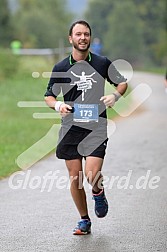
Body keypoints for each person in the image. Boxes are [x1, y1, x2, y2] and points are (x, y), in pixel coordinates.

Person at [44, 20, 127, 235]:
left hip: (96, 126)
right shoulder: (61, 67)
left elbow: (122, 82)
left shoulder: (101, 63)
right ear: (70, 39)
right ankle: (84, 220)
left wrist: (115, 95)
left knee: (92, 174)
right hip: (71, 128)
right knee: (75, 177)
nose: (83, 38)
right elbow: (49, 96)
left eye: (86, 34)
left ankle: (98, 192)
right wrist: (59, 105)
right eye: (78, 34)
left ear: (90, 38)